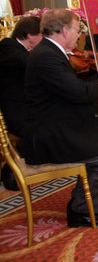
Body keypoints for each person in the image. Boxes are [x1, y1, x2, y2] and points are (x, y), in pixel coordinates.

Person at [18, 9, 98, 228]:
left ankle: (82, 201)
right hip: (48, 136)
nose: (79, 36)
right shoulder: (47, 56)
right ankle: (81, 213)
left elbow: (71, 89)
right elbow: (78, 92)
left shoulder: (49, 51)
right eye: (77, 31)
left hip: (55, 123)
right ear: (64, 30)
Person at [0, 16, 42, 191]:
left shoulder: (19, 49)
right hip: (13, 111)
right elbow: (27, 62)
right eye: (41, 35)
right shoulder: (8, 46)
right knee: (43, 129)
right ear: (29, 35)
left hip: (24, 105)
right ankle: (10, 169)